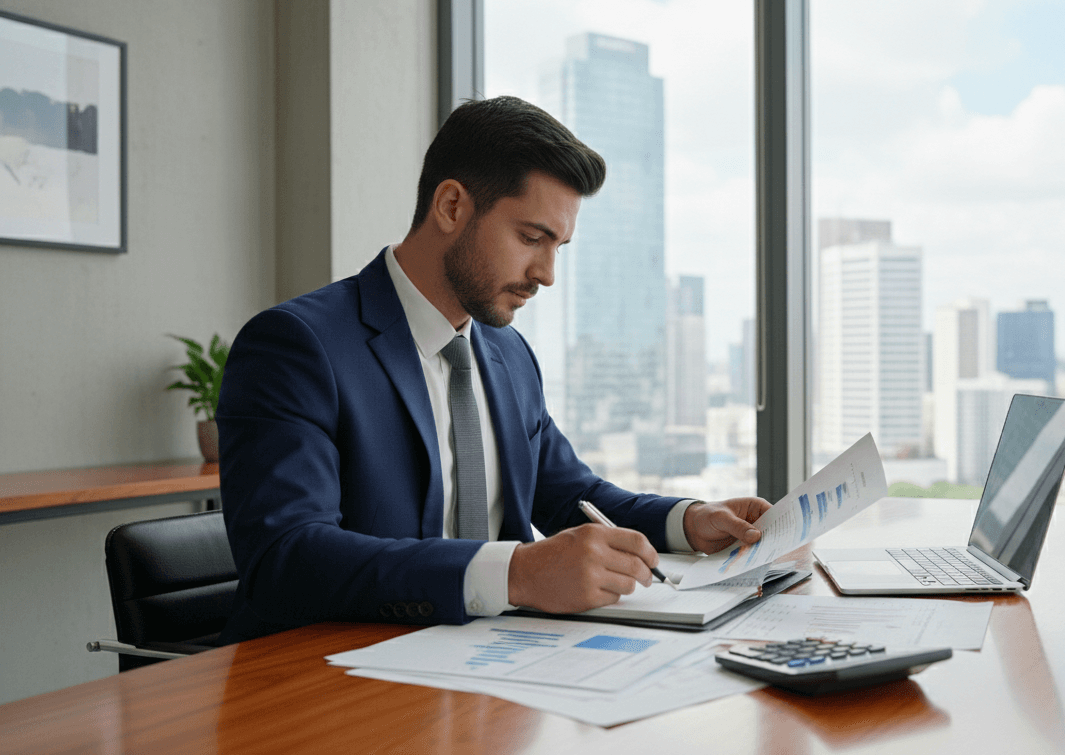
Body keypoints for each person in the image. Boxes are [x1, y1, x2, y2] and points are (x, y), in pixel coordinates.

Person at [216, 96, 770, 643]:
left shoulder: (509, 355)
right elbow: (284, 558)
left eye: (559, 247)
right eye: (531, 238)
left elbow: (570, 496)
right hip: (331, 681)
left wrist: (691, 521)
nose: (547, 274)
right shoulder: (298, 346)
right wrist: (516, 573)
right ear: (452, 206)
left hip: (489, 674)